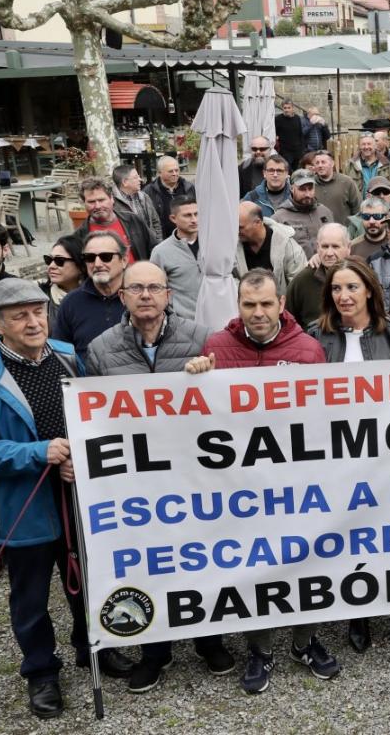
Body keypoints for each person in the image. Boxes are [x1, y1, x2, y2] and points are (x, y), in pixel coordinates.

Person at [82, 262, 232, 693]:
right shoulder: (100, 349)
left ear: (168, 294)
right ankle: (155, 652)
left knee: (204, 558)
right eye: (136, 288)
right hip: (136, 484)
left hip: (195, 476)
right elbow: (93, 417)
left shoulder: (202, 338)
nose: (146, 295)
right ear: (122, 296)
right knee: (149, 563)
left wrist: (210, 373)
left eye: (154, 287)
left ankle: (210, 640)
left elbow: (227, 404)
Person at [0, 278, 135, 720]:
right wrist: (38, 453)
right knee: (30, 597)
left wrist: (83, 459)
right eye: (20, 316)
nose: (34, 322)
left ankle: (90, 648)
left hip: (77, 494)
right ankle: (40, 671)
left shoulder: (68, 356)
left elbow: (92, 418)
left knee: (85, 581)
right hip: (23, 503)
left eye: (38, 312)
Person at [198, 269, 341, 694]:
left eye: (265, 304)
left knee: (306, 563)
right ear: (238, 306)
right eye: (248, 304)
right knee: (255, 567)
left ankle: (304, 640)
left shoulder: (308, 349)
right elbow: (200, 417)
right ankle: (260, 648)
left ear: (282, 303)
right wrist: (194, 378)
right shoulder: (216, 347)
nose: (257, 313)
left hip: (298, 484)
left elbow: (326, 417)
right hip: (241, 487)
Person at [307, 258, 390, 652]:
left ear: (369, 289)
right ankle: (360, 611)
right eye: (336, 289)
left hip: (389, 456)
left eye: (352, 287)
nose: (344, 296)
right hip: (339, 459)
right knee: (355, 535)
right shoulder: (315, 338)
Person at [52, 231, 127, 357]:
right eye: (90, 258)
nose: (97, 264)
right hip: (86, 375)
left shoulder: (141, 297)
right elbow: (60, 353)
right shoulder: (71, 303)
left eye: (106, 257)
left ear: (124, 260)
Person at [285, 223, 351, 328]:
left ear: (348, 247)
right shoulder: (303, 280)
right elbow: (287, 322)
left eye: (335, 246)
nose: (329, 253)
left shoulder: (360, 277)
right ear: (317, 247)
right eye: (325, 246)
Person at [235, 202, 308, 295]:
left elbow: (298, 284)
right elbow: (227, 277)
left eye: (240, 227)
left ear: (257, 222)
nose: (237, 231)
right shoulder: (232, 246)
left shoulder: (287, 245)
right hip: (244, 305)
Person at [75, 177, 153, 263]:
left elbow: (153, 248)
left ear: (112, 199)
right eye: (91, 202)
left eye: (101, 200)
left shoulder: (133, 221)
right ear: (84, 203)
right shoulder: (80, 236)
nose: (97, 206)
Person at [149, 196, 202, 317]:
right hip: (183, 323)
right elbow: (155, 290)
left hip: (217, 319)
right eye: (187, 215)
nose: (194, 220)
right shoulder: (161, 252)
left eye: (196, 214)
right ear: (173, 218)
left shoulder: (212, 245)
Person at [271, 170, 334, 259]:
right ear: (292, 188)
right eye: (302, 189)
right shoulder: (279, 218)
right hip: (298, 271)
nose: (307, 194)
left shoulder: (325, 212)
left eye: (310, 188)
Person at [142, 157, 195, 242]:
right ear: (160, 173)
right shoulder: (149, 192)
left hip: (188, 239)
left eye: (177, 170)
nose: (175, 174)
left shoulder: (189, 188)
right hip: (163, 240)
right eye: (170, 171)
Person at [110, 163, 161, 244]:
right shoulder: (111, 202)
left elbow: (155, 222)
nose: (140, 179)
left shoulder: (144, 197)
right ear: (125, 182)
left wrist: (158, 243)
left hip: (150, 247)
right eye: (136, 177)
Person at [39, 236, 84, 324]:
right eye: (49, 260)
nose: (51, 266)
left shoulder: (99, 296)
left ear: (80, 264)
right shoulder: (39, 298)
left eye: (59, 260)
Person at [310, 148, 361, 220]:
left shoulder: (346, 182)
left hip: (343, 229)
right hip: (319, 230)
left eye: (323, 162)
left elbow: (357, 208)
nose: (320, 165)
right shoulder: (310, 184)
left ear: (332, 163)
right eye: (317, 163)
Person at [242, 153, 292, 218]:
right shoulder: (252, 198)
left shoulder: (294, 196)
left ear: (286, 173)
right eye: (271, 170)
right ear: (264, 173)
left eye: (279, 171)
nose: (275, 175)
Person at [274, 101, 307, 170]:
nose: (286, 110)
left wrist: (302, 148)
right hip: (285, 151)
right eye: (285, 108)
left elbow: (300, 134)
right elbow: (274, 133)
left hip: (297, 151)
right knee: (287, 169)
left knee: (297, 169)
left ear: (292, 108)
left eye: (289, 108)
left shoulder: (297, 118)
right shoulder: (278, 119)